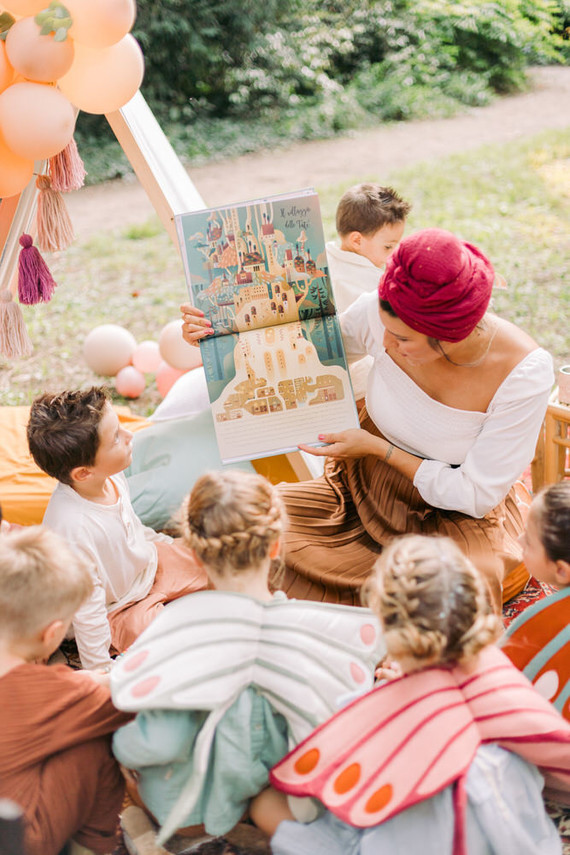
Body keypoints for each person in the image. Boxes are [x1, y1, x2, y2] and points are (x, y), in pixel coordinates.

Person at [184, 227, 554, 612]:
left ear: (449, 337)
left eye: (403, 340)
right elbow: (301, 352)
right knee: (247, 530)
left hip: (453, 513)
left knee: (454, 589)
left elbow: (475, 495)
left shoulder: (522, 374)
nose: (387, 346)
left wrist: (380, 449)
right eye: (385, 330)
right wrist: (217, 333)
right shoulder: (378, 314)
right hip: (361, 486)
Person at [111, 470, 382, 847]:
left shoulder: (181, 634)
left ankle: (168, 837)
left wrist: (123, 749)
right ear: (275, 546)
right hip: (268, 785)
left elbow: (163, 743)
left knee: (126, 755)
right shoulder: (307, 628)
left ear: (193, 550)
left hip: (195, 811)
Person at [251, 535, 568, 855]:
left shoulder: (374, 710)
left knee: (264, 804)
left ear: (388, 627)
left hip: (415, 832)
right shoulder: (497, 675)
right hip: (521, 837)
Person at [27, 387, 209, 670]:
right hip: (115, 608)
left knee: (218, 564)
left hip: (147, 569)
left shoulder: (109, 475)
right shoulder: (72, 527)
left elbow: (131, 526)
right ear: (84, 472)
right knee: (174, 640)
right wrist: (99, 669)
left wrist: (168, 546)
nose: (129, 436)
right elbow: (87, 609)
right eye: (115, 439)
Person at [0, 526, 133, 855]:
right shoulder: (60, 695)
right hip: (19, 839)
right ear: (51, 634)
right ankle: (96, 846)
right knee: (93, 743)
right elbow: (125, 700)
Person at [501, 481, 570, 719]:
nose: (518, 541)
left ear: (561, 570)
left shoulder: (546, 625)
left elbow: (503, 681)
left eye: (529, 541)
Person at [325, 182, 411, 314]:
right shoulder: (374, 285)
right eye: (388, 247)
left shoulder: (324, 255)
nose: (393, 255)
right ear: (357, 240)